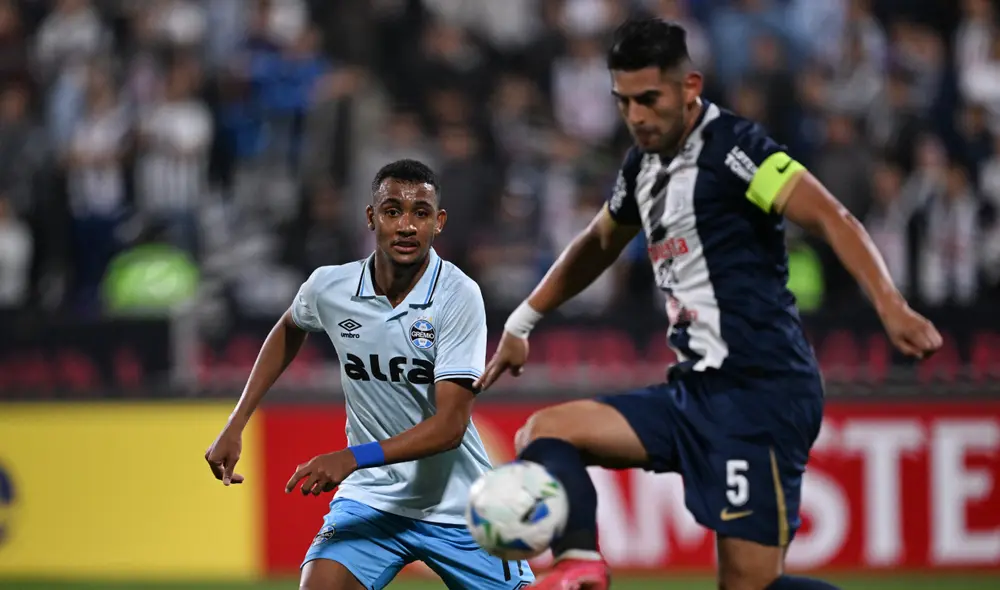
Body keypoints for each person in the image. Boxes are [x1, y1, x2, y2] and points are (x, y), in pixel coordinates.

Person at [475, 19, 942, 590]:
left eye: (649, 99)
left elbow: (829, 215)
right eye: (624, 103)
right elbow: (598, 242)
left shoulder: (736, 148)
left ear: (689, 86)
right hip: (695, 389)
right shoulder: (641, 167)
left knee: (746, 587)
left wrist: (890, 305)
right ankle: (579, 564)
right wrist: (523, 321)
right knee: (547, 432)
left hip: (760, 391)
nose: (637, 117)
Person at [205, 159, 534, 590]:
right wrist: (236, 423)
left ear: (439, 223)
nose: (406, 226)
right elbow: (289, 326)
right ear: (370, 217)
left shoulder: (458, 295)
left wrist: (351, 458)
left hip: (459, 505)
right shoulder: (331, 287)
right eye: (392, 210)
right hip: (372, 499)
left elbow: (451, 427)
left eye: (421, 213)